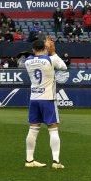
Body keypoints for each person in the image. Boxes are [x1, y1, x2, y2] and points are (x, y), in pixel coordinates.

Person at [23, 37, 67, 169]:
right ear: (45, 48)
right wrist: (52, 51)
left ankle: (29, 160)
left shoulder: (27, 61)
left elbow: (38, 58)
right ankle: (56, 161)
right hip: (48, 98)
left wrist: (46, 48)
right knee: (53, 129)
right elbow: (64, 67)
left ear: (33, 49)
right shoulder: (50, 59)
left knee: (33, 129)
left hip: (34, 98)